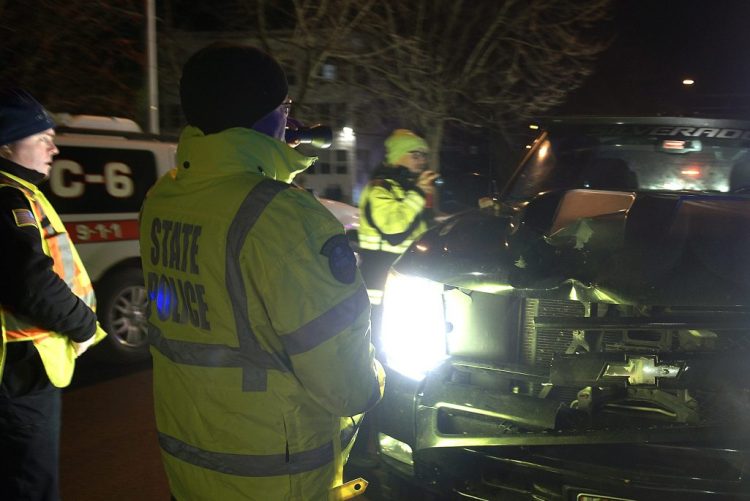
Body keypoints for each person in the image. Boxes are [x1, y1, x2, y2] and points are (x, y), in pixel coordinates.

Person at [139, 43, 384, 501]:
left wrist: (270, 160)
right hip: (274, 478)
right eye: (286, 108)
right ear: (273, 116)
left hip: (189, 468)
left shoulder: (163, 198)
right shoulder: (285, 218)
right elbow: (346, 390)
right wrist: (379, 374)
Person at [0, 88, 107, 501]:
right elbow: (31, 282)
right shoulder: (9, 198)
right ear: (6, 145)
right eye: (41, 139)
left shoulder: (18, 192)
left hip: (14, 370)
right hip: (20, 372)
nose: (54, 148)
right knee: (31, 485)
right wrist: (84, 326)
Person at [357, 129, 438, 327]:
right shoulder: (380, 189)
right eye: (415, 155)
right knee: (378, 349)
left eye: (424, 156)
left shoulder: (408, 191)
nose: (421, 161)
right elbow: (395, 232)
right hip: (380, 291)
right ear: (397, 156)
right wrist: (418, 193)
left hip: (405, 285)